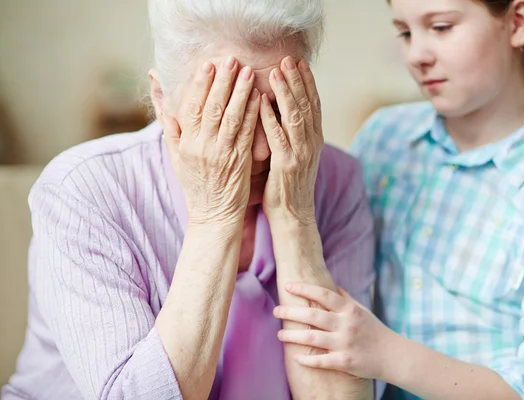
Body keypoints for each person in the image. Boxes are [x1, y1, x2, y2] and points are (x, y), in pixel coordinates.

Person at [1, 0, 376, 399]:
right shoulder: (83, 189)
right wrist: (215, 217)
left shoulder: (339, 181)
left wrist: (295, 218)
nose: (265, 149)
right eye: (231, 114)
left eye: (280, 108)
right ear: (162, 100)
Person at [272, 0, 524, 399]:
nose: (416, 55)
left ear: (517, 22)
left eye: (441, 27)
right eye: (406, 32)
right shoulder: (384, 137)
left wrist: (385, 354)